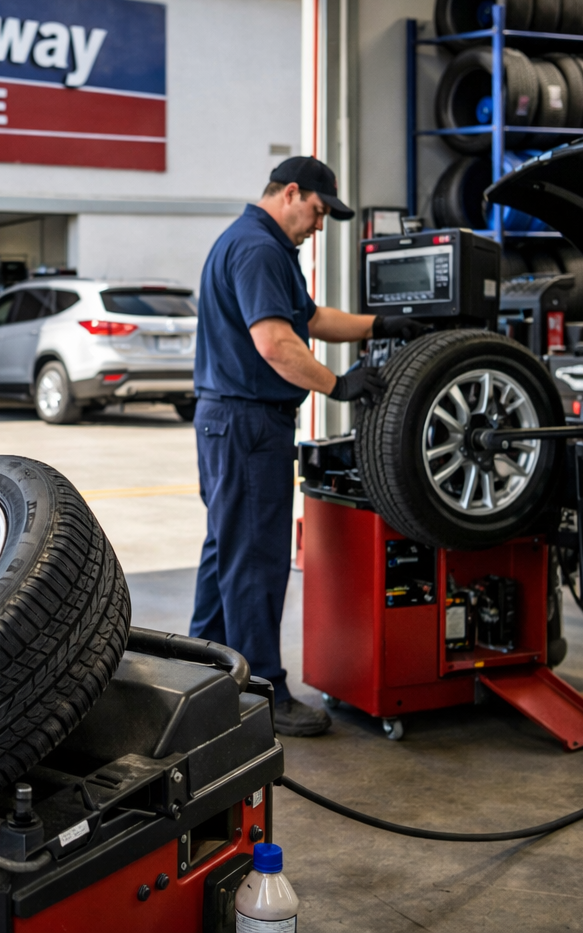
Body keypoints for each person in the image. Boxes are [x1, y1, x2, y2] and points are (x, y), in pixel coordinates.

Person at [190, 157, 426, 737]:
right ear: (291, 193)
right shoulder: (259, 249)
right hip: (249, 425)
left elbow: (311, 318)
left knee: (228, 548)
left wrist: (380, 325)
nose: (318, 226)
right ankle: (260, 691)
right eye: (318, 212)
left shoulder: (258, 242)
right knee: (257, 561)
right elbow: (275, 342)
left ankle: (200, 673)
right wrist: (339, 385)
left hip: (230, 421)